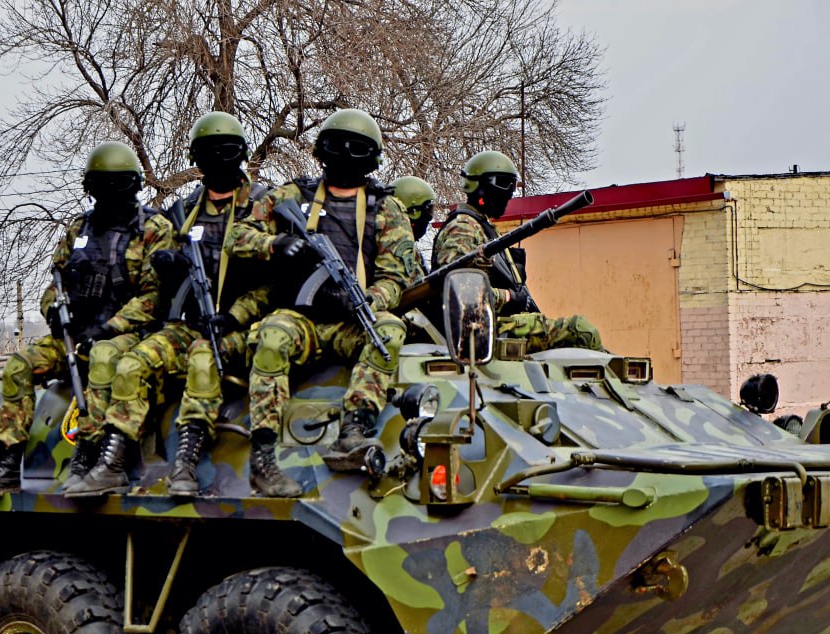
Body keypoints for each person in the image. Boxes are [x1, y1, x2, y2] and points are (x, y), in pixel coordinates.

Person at [69, 113, 272, 497]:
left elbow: (274, 282)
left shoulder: (264, 206)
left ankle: (186, 465)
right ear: (196, 157)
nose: (219, 160)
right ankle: (110, 462)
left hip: (240, 326)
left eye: (227, 151)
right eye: (209, 152)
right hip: (189, 324)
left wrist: (234, 315)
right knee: (130, 364)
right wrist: (172, 268)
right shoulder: (184, 212)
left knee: (201, 361)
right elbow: (157, 282)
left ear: (242, 155)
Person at [227, 108, 423, 497]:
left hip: (351, 321)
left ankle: (354, 430)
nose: (347, 154)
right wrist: (278, 244)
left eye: (357, 149)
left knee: (388, 330)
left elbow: (396, 276)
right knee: (272, 336)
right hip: (302, 320)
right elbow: (237, 238)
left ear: (372, 159)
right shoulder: (291, 196)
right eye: (338, 146)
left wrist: (368, 299)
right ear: (321, 151)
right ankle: (263, 456)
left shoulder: (387, 209)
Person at [0, 141, 174, 496]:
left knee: (102, 358)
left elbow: (153, 298)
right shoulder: (79, 230)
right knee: (19, 366)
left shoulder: (153, 228)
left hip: (127, 335)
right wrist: (54, 310)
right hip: (75, 333)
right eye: (101, 185)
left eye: (117, 184)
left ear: (133, 185)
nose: (109, 194)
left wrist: (109, 328)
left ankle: (89, 454)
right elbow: (56, 282)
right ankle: (8, 461)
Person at [432, 151, 603, 352]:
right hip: (480, 331)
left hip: (497, 325)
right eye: (504, 185)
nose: (510, 194)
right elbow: (458, 293)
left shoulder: (483, 227)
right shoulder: (462, 228)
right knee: (580, 329)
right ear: (482, 186)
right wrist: (510, 298)